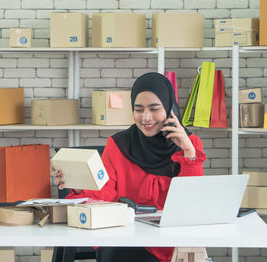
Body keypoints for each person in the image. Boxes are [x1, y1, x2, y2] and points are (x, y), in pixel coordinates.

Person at [52, 72, 206, 262]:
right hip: (127, 238)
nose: (146, 117)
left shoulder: (190, 144)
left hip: (174, 241)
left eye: (154, 108)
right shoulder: (118, 145)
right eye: (138, 109)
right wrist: (77, 184)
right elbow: (104, 196)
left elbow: (193, 203)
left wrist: (188, 153)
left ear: (169, 108)